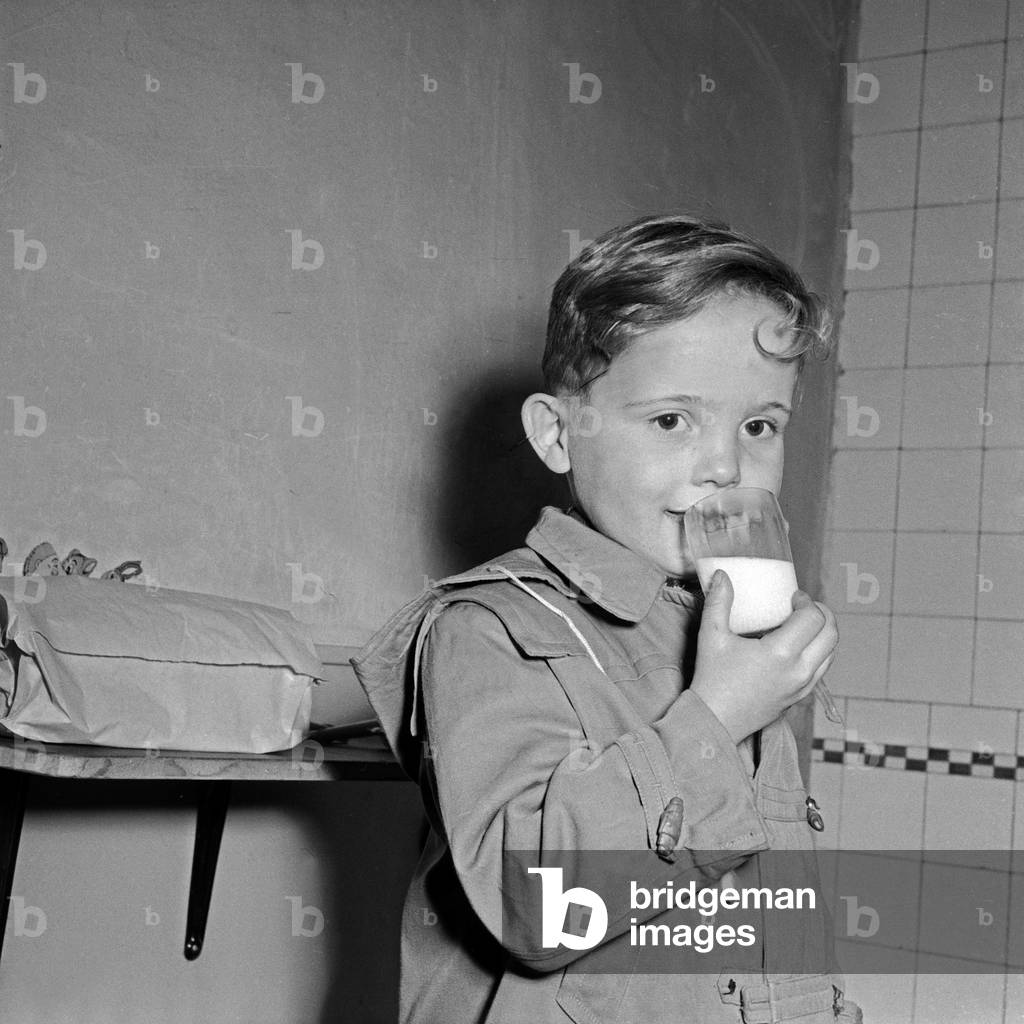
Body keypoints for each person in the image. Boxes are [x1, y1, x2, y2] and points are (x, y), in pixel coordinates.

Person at [352, 214, 861, 1023]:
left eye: (759, 425)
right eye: (671, 420)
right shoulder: (485, 630)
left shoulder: (738, 641)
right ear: (559, 435)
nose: (726, 464)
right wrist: (718, 714)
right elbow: (539, 907)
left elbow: (767, 911)